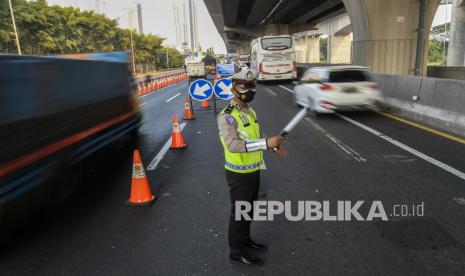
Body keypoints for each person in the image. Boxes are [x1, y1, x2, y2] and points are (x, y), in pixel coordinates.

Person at [217, 69, 286, 266]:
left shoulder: (249, 110)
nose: (250, 90)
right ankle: (236, 251)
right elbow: (233, 145)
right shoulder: (227, 116)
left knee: (248, 210)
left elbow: (256, 133)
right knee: (239, 212)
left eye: (252, 86)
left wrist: (273, 146)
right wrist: (266, 144)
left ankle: (245, 240)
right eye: (245, 86)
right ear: (233, 89)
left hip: (253, 169)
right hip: (238, 173)